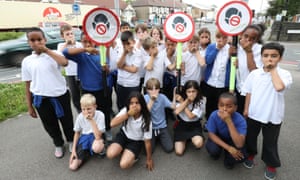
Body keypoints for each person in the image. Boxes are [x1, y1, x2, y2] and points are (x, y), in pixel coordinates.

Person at [242, 42, 293, 180]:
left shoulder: (284, 74)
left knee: (270, 141)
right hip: (254, 113)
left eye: (274, 56)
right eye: (265, 56)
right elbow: (248, 92)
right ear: (261, 57)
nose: (269, 59)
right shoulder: (255, 74)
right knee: (251, 137)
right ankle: (251, 154)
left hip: (273, 115)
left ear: (280, 58)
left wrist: (272, 70)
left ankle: (271, 163)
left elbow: (278, 87)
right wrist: (246, 108)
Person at [21, 27, 74, 158]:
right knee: (49, 124)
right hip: (40, 98)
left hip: (60, 95)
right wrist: (29, 106)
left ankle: (71, 140)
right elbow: (28, 84)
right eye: (32, 40)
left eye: (39, 39)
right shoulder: (27, 61)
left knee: (67, 120)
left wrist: (46, 50)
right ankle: (58, 143)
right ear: (28, 42)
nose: (36, 43)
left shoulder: (54, 54)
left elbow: (65, 62)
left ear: (44, 40)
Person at [62, 32, 113, 141]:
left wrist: (106, 69)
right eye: (85, 42)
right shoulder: (81, 55)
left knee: (105, 110)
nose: (88, 44)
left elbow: (108, 71)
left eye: (90, 41)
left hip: (101, 89)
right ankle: (92, 131)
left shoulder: (101, 52)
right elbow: (65, 52)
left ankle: (107, 129)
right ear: (81, 43)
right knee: (89, 112)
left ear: (95, 41)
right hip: (86, 90)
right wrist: (84, 49)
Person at [106, 91, 154, 171]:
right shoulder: (126, 110)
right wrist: (128, 115)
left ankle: (134, 157)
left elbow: (147, 142)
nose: (134, 105)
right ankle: (123, 150)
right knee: (110, 154)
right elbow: (112, 124)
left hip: (136, 141)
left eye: (137, 103)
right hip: (124, 135)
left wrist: (149, 159)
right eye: (131, 103)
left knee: (123, 165)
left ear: (142, 104)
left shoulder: (146, 119)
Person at [202, 30, 235, 129]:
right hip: (211, 81)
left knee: (221, 104)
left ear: (227, 38)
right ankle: (208, 121)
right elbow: (208, 61)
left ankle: (219, 123)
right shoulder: (211, 46)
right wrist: (217, 49)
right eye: (219, 37)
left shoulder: (230, 49)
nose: (221, 40)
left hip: (223, 83)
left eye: (224, 38)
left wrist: (230, 56)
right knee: (210, 103)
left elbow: (233, 66)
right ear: (216, 37)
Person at [205, 92, 247, 169]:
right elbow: (211, 134)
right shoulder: (214, 115)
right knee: (213, 149)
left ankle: (229, 160)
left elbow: (239, 144)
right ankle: (218, 153)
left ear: (235, 108)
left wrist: (229, 121)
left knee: (242, 156)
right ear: (218, 105)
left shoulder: (240, 120)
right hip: (219, 136)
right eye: (221, 105)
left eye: (229, 106)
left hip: (232, 140)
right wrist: (228, 148)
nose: (224, 109)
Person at [69, 94, 105, 171]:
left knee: (97, 147)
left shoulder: (100, 115)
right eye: (83, 109)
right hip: (84, 137)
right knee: (73, 167)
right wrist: (73, 150)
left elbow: (98, 136)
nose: (86, 112)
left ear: (95, 106)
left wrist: (91, 120)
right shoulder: (80, 116)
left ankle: (100, 149)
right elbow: (77, 133)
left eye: (89, 109)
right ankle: (87, 150)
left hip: (96, 136)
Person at [235, 24, 265, 114]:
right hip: (239, 87)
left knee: (248, 113)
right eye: (246, 36)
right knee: (237, 112)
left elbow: (254, 72)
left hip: (252, 90)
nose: (248, 40)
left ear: (257, 40)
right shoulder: (237, 46)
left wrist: (249, 52)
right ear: (241, 35)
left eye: (252, 38)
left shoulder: (260, 50)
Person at [173, 80, 205, 156]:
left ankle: (193, 137)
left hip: (194, 125)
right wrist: (183, 101)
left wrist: (185, 101)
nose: (191, 94)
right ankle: (186, 139)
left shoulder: (200, 101)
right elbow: (176, 112)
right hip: (182, 125)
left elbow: (190, 116)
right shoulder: (181, 99)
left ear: (197, 92)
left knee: (198, 144)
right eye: (189, 92)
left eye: (193, 91)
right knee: (179, 152)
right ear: (185, 92)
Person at [144, 78, 174, 153]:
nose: (154, 91)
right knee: (149, 150)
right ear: (147, 90)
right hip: (150, 127)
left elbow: (172, 106)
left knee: (169, 148)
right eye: (151, 89)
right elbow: (145, 112)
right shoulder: (145, 98)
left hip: (162, 126)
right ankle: (155, 138)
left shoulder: (162, 97)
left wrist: (174, 95)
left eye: (156, 88)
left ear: (159, 89)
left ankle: (159, 137)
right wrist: (152, 100)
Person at [57, 24, 82, 113]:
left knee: (84, 93)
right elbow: (59, 55)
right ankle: (79, 111)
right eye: (67, 34)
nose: (70, 36)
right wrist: (67, 43)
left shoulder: (79, 44)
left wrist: (74, 44)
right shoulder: (61, 46)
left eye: (71, 34)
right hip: (70, 74)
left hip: (80, 72)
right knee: (75, 95)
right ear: (62, 36)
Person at [116, 31, 142, 110]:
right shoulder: (120, 51)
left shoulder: (138, 53)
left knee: (133, 106)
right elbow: (118, 65)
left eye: (128, 43)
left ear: (133, 42)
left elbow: (134, 69)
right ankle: (123, 121)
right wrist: (124, 53)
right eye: (124, 44)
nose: (126, 46)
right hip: (121, 83)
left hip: (133, 85)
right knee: (121, 105)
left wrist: (122, 66)